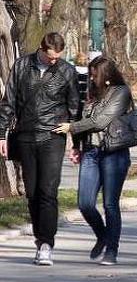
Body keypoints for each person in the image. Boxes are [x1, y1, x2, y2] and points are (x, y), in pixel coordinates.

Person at [0, 33, 79, 266]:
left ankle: (46, 244)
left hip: (54, 137)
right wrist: (1, 134)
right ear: (42, 50)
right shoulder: (22, 66)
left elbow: (75, 107)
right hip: (25, 135)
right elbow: (8, 102)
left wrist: (75, 138)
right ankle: (39, 239)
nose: (54, 62)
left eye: (58, 58)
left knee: (48, 190)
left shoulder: (67, 71)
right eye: (51, 57)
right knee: (33, 193)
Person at [53, 56, 132, 266]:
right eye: (90, 74)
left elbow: (100, 121)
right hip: (90, 152)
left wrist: (71, 128)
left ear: (105, 75)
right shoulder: (89, 94)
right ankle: (103, 235)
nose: (91, 78)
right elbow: (80, 117)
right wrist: (77, 145)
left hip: (114, 152)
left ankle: (112, 250)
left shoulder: (121, 92)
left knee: (110, 204)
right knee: (85, 203)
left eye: (94, 75)